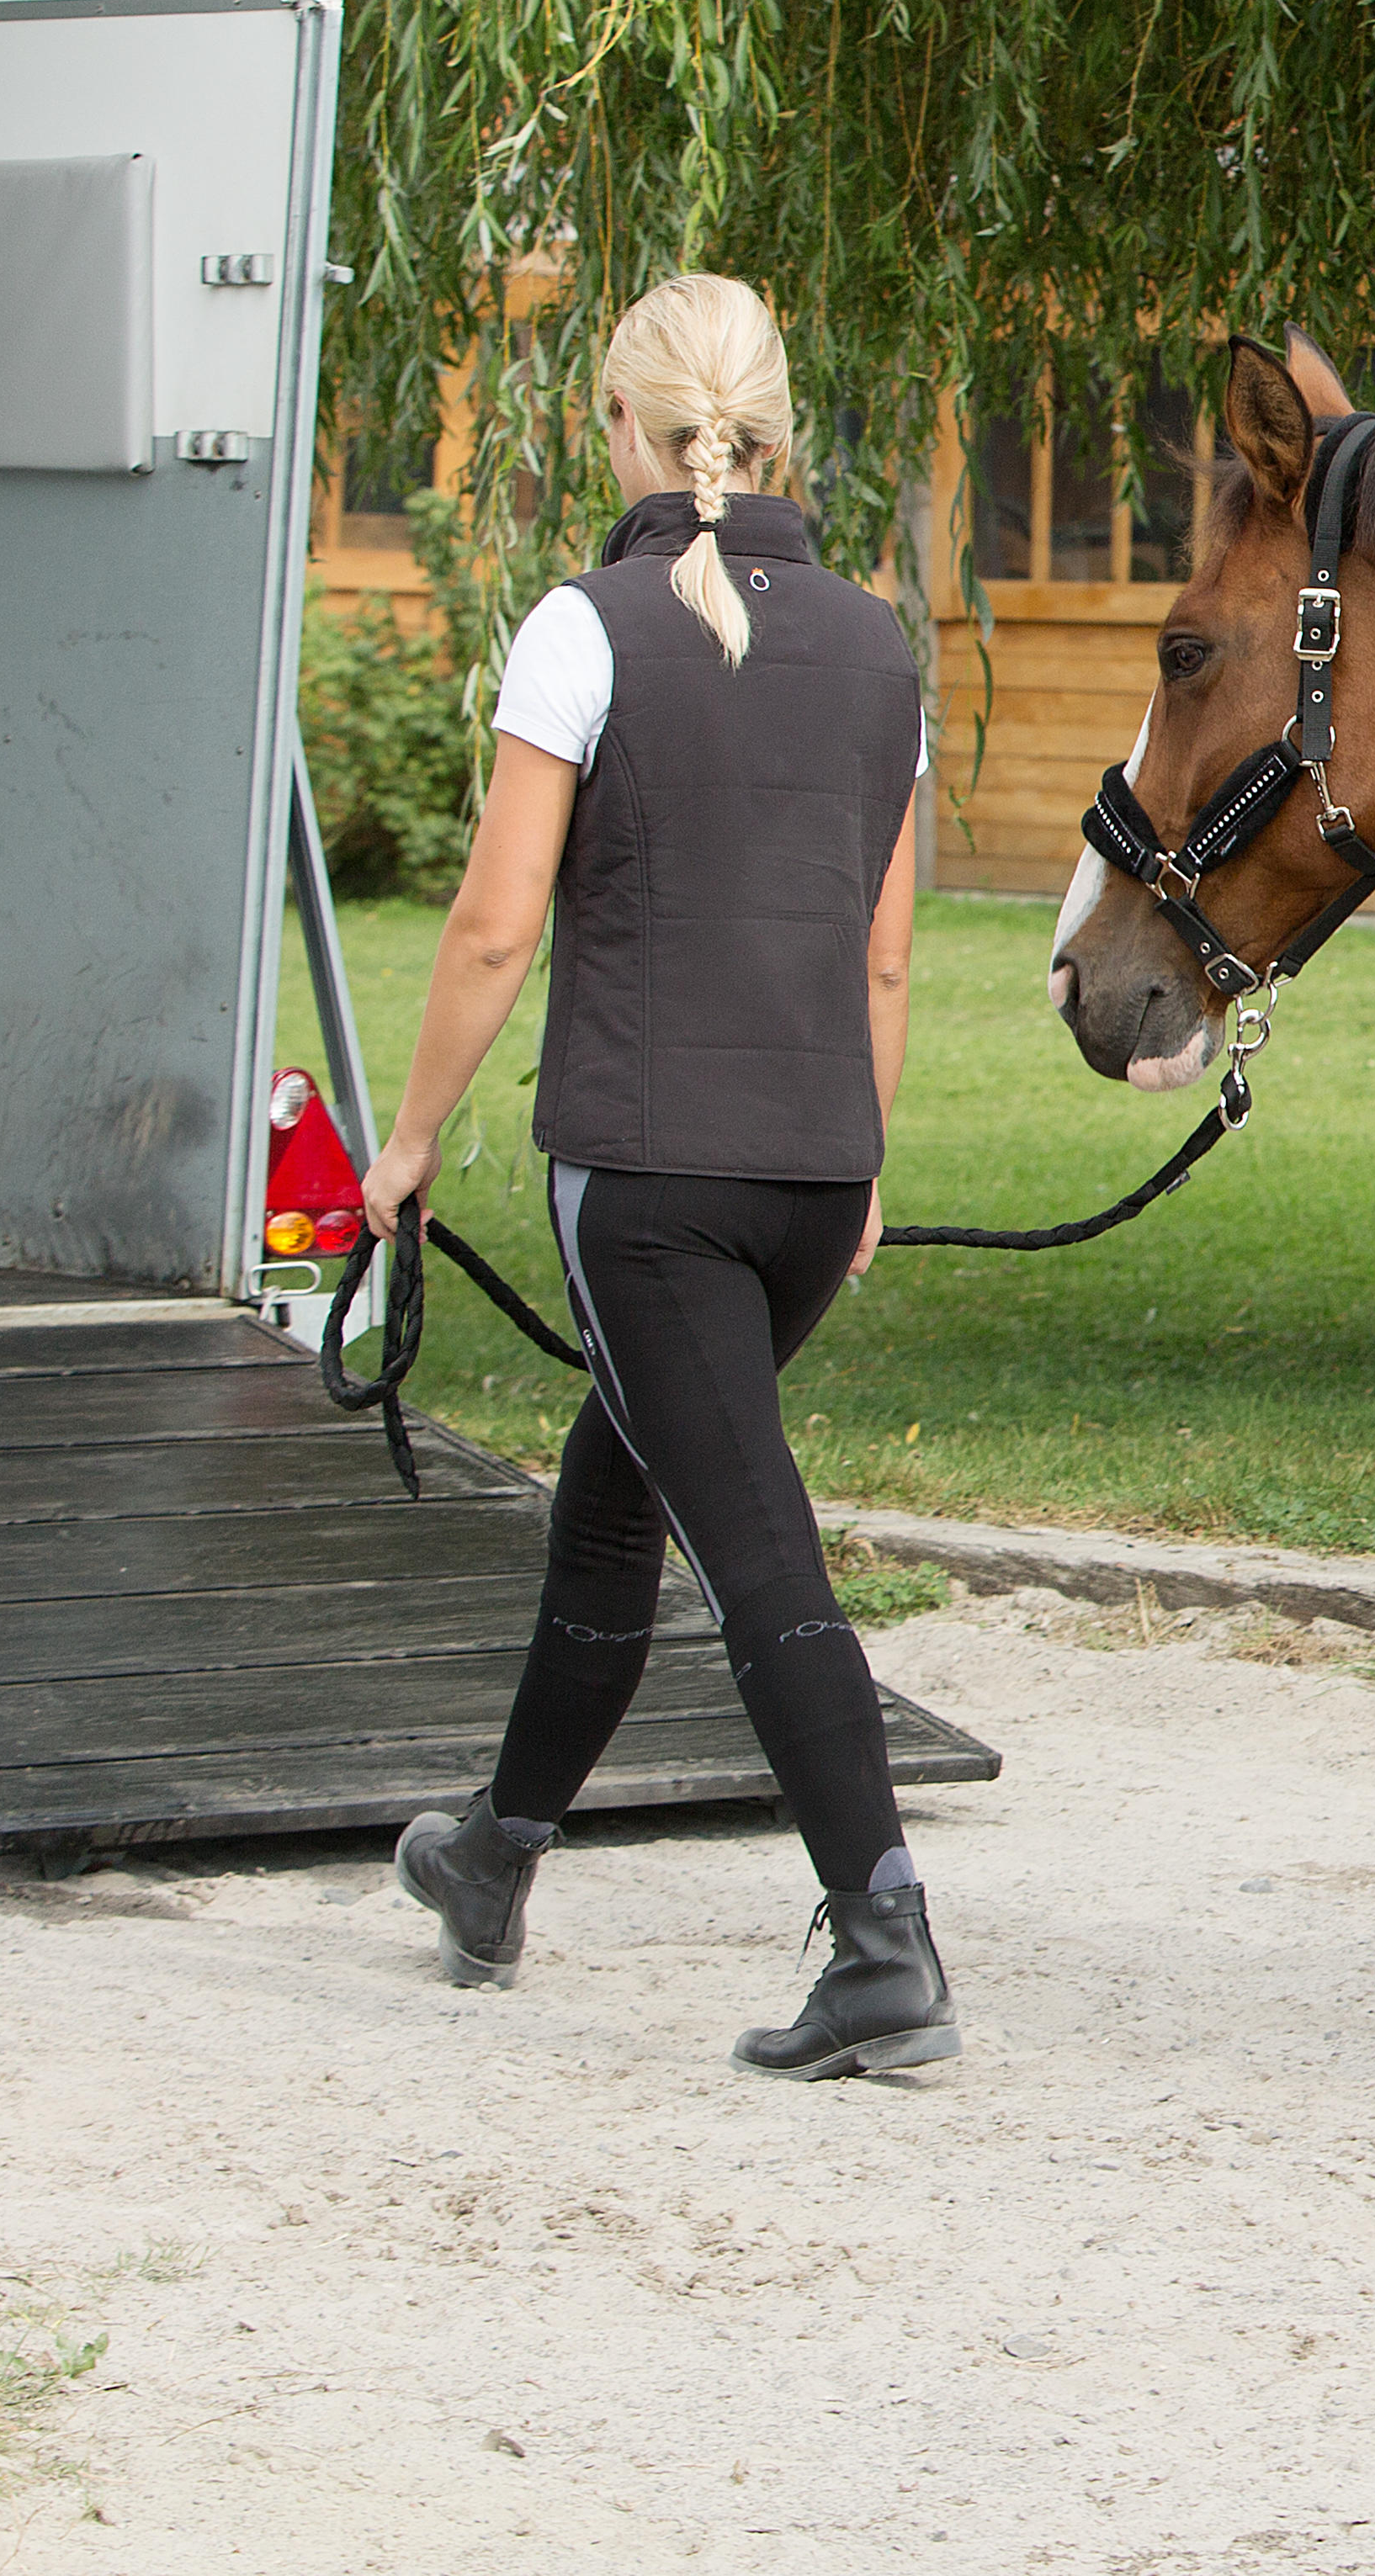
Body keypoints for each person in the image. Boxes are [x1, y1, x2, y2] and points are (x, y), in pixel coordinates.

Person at [358, 272, 953, 2078]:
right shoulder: (879, 650)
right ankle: (495, 1854)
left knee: (751, 1546)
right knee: (619, 1497)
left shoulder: (582, 626)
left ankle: (882, 1942)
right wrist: (862, 1171)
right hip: (800, 1187)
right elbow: (885, 961)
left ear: (620, 427)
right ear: (777, 429)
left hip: (646, 1181)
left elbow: (490, 928)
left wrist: (408, 1140)